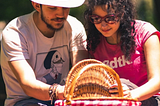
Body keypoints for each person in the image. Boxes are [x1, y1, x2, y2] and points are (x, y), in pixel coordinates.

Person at [1, 0, 88, 105]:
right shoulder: (16, 32)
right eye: (53, 8)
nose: (60, 14)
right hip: (25, 101)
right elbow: (28, 85)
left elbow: (81, 72)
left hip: (63, 99)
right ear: (36, 5)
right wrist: (60, 91)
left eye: (65, 8)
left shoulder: (74, 27)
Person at [84, 0, 160, 105]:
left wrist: (131, 95)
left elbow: (157, 80)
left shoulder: (145, 33)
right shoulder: (94, 43)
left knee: (122, 83)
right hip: (112, 101)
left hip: (147, 99)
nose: (103, 25)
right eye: (96, 19)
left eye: (110, 18)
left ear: (122, 13)